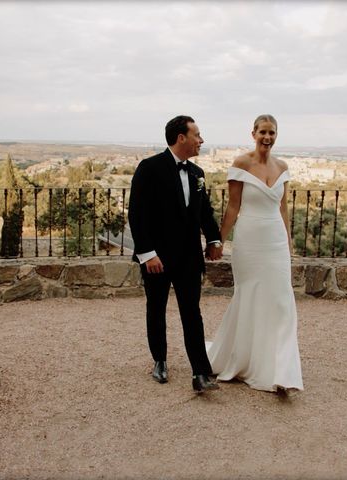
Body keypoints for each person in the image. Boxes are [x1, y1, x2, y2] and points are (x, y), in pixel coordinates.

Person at [206, 114, 303, 395]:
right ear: (253, 133)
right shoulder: (241, 164)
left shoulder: (283, 167)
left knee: (282, 301)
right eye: (262, 132)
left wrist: (287, 242)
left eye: (272, 133)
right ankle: (246, 359)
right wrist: (219, 241)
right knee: (249, 297)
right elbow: (233, 207)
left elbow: (283, 208)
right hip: (249, 240)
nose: (267, 137)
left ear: (276, 135)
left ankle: (282, 370)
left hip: (275, 241)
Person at [128, 115, 223, 393]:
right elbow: (137, 214)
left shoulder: (197, 174)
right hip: (157, 258)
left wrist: (214, 238)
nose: (201, 140)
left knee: (192, 313)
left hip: (189, 259)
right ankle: (159, 360)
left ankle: (200, 373)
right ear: (181, 138)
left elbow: (205, 212)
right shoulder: (149, 168)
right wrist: (147, 253)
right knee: (156, 309)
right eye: (197, 135)